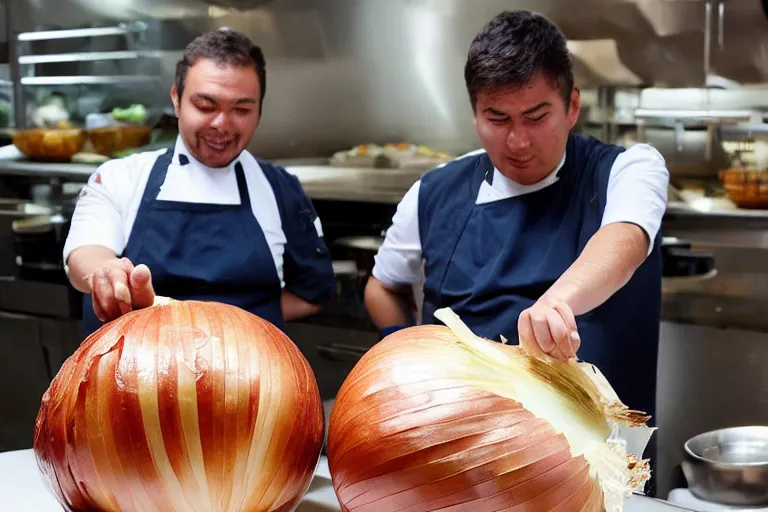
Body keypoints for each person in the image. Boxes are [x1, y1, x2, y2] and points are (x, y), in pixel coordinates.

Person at [365, 10, 668, 441]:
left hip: (592, 457)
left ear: (572, 106)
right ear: (474, 114)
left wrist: (556, 303)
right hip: (459, 450)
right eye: (497, 119)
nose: (518, 142)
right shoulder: (434, 191)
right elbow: (383, 287)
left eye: (536, 116)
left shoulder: (627, 169)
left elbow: (625, 241)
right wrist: (405, 351)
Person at [64, 28, 336, 337]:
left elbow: (315, 290)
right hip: (138, 376)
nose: (222, 124)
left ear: (260, 110)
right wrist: (106, 274)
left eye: (242, 109)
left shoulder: (281, 189)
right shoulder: (119, 177)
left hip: (248, 376)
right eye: (206, 106)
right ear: (177, 101)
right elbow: (83, 257)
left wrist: (238, 327)